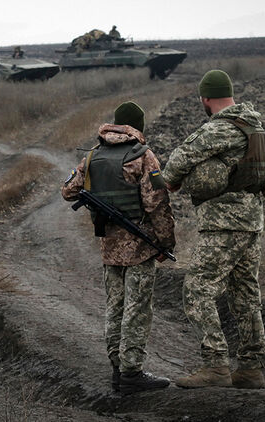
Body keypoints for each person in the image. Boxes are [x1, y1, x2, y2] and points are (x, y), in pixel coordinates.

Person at [161, 70, 265, 389]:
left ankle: (216, 365)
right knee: (245, 294)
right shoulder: (254, 125)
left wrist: (171, 181)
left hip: (224, 223)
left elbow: (178, 160)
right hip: (251, 221)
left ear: (205, 98)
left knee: (196, 290)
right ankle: (251, 368)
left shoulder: (220, 128)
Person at [62, 102, 176, 394]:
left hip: (109, 248)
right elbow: (157, 204)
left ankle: (117, 368)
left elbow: (68, 191)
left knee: (115, 307)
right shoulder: (142, 155)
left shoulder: (93, 155)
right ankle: (131, 373)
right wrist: (165, 241)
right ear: (138, 126)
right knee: (137, 309)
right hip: (140, 248)